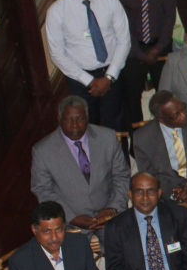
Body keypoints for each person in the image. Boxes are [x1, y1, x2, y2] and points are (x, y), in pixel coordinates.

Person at [45, 0, 130, 130]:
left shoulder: (110, 1)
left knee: (117, 123)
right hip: (80, 79)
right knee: (89, 126)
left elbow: (124, 41)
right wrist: (89, 81)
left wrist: (109, 77)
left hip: (112, 72)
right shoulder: (56, 12)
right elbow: (57, 54)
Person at [30, 96, 130, 234]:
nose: (75, 125)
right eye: (68, 119)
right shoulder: (43, 151)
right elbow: (42, 189)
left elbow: (122, 176)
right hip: (70, 225)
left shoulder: (107, 138)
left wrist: (112, 208)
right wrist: (71, 217)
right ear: (59, 118)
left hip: (110, 217)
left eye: (80, 119)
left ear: (87, 118)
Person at [110, 0, 176, 128]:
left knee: (165, 95)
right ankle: (138, 137)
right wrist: (139, 53)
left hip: (160, 47)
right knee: (131, 99)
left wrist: (158, 48)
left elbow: (170, 16)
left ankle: (167, 131)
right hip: (131, 50)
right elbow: (120, 26)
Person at [132, 91, 187, 207]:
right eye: (176, 115)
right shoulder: (142, 138)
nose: (183, 116)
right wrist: (176, 194)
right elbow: (151, 176)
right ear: (161, 119)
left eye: (183, 109)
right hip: (167, 198)